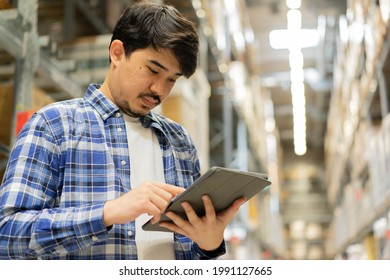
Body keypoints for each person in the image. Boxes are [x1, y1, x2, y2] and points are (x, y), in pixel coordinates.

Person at [0, 1, 245, 260]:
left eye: (172, 79)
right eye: (153, 70)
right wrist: (108, 213)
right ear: (117, 52)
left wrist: (209, 243)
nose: (160, 90)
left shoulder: (180, 142)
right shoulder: (54, 125)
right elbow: (7, 236)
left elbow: (190, 255)